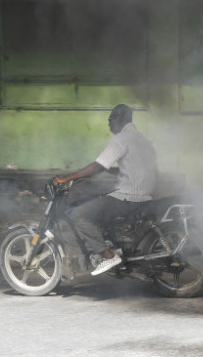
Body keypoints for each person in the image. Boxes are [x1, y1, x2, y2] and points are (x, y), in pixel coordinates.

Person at [52, 104, 158, 275]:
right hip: (145, 195)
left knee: (78, 214)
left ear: (120, 118)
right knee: (101, 202)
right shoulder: (144, 140)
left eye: (110, 119)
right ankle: (113, 247)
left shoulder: (121, 139)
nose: (109, 124)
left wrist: (68, 178)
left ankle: (108, 256)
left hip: (129, 196)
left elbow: (99, 166)